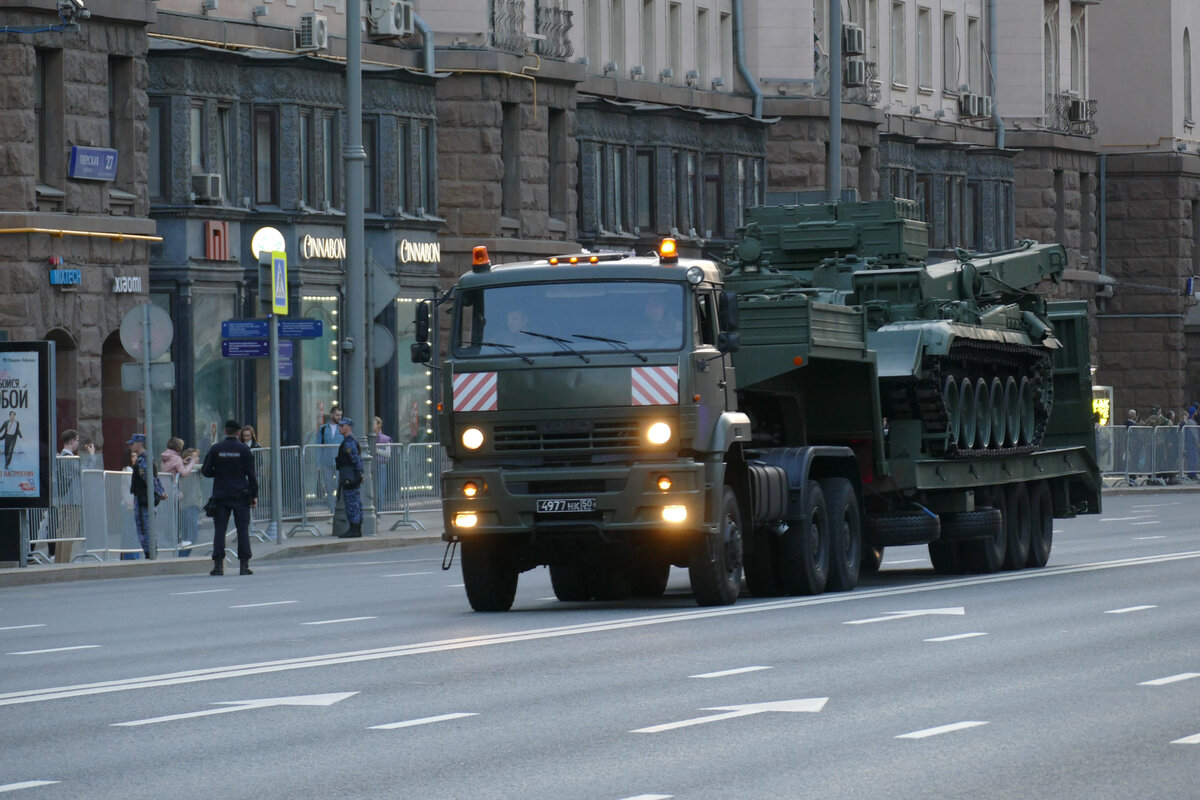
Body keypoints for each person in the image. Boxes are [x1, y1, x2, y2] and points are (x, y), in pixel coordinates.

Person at [201, 419, 259, 576]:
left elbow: (206, 471)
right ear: (239, 432)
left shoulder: (216, 448)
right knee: (243, 530)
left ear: (225, 431)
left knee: (220, 530)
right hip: (240, 494)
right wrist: (254, 495)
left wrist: (219, 473)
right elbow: (252, 476)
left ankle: (218, 566)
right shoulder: (244, 450)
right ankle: (244, 565)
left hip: (220, 494)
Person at [128, 433, 167, 559]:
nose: (130, 446)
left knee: (144, 527)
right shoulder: (149, 458)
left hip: (143, 498)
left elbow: (148, 478)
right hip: (146, 497)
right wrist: (160, 491)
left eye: (132, 443)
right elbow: (154, 477)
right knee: (148, 526)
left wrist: (159, 491)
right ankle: (151, 552)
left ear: (139, 444)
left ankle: (150, 553)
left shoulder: (142, 459)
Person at [335, 416, 365, 538]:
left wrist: (360, 472)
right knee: (356, 502)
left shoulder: (348, 442)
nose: (340, 428)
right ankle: (356, 528)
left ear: (348, 427)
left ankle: (354, 528)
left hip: (350, 477)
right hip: (353, 476)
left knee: (351, 503)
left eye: (342, 426)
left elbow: (355, 459)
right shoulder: (350, 441)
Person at [317, 405, 343, 514]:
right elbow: (318, 446)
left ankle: (339, 509)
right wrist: (318, 463)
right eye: (337, 415)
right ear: (332, 415)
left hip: (339, 462)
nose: (339, 417)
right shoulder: (323, 428)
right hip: (326, 461)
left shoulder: (342, 427)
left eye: (340, 415)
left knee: (339, 486)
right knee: (329, 487)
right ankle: (332, 512)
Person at [373, 416, 392, 508]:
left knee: (380, 490)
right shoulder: (368, 437)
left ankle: (379, 511)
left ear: (379, 425)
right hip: (371, 465)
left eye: (374, 423)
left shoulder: (385, 439)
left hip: (381, 465)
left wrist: (377, 450)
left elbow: (388, 454)